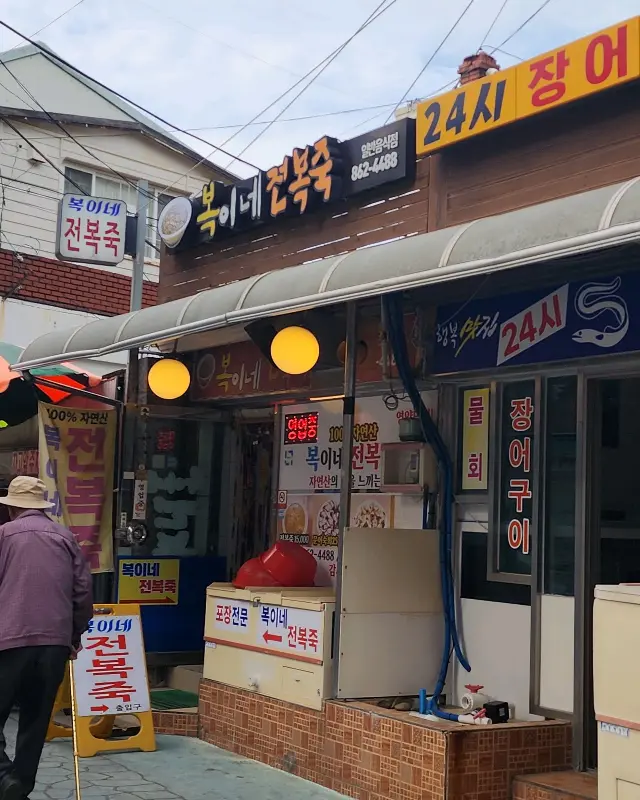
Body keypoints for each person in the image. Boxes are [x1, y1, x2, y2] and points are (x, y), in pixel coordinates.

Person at [0, 476, 93, 799]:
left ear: (12, 507)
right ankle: (19, 783)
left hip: (7, 639)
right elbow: (82, 591)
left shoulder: (4, 536)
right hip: (54, 641)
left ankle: (3, 776)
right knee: (36, 719)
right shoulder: (65, 537)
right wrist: (74, 634)